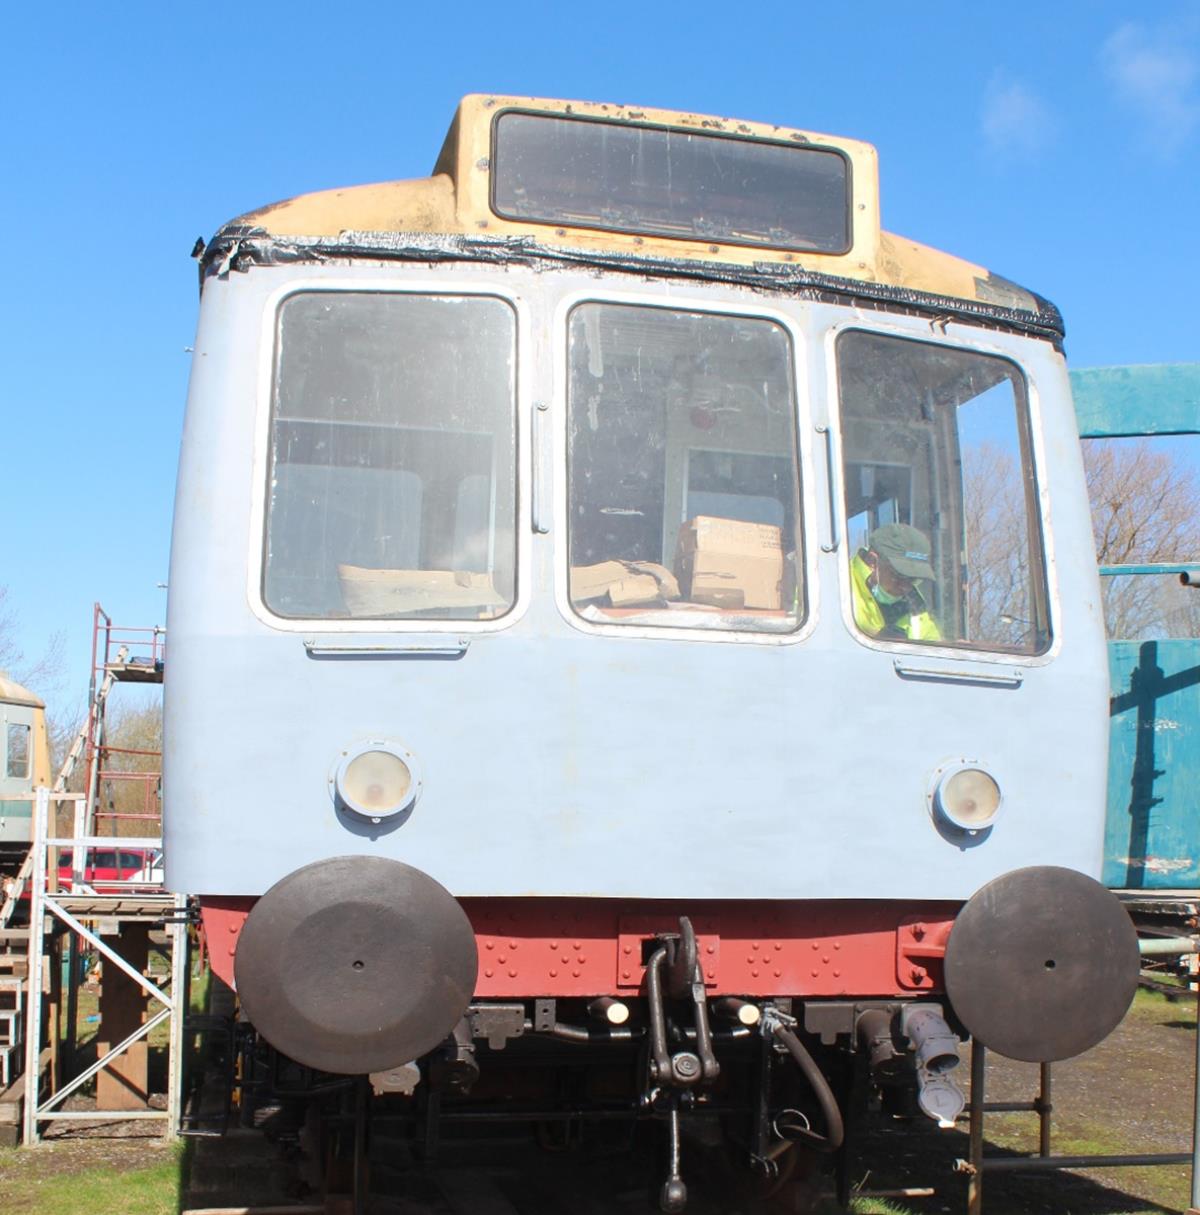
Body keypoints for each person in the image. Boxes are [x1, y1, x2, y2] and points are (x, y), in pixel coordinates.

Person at [850, 523, 941, 641]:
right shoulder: (840, 586)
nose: (905, 587)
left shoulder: (914, 599)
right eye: (899, 575)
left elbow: (931, 641)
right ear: (872, 562)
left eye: (913, 579)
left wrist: (952, 650)